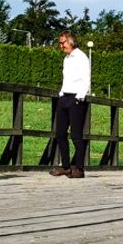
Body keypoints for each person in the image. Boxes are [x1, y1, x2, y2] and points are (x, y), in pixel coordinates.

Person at [53, 30, 90, 178]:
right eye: (60, 43)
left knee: (76, 135)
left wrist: (79, 97)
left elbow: (86, 79)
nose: (61, 46)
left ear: (71, 42)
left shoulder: (81, 57)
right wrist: (61, 94)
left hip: (76, 98)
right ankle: (66, 166)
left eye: (63, 43)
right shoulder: (67, 59)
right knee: (60, 133)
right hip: (64, 97)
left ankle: (79, 169)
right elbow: (66, 79)